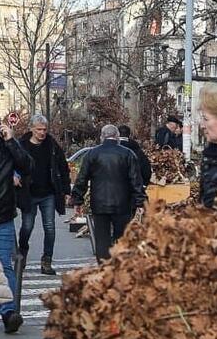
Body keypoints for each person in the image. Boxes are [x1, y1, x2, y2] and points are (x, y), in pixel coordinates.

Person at [0, 99, 33, 333]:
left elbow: (27, 166)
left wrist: (11, 141)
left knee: (4, 267)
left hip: (2, 217)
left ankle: (9, 313)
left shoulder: (6, 145)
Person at [71, 124, 145, 262]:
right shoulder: (128, 154)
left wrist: (77, 199)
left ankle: (104, 267)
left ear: (102, 137)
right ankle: (121, 266)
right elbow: (136, 180)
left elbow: (82, 178)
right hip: (122, 203)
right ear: (117, 137)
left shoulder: (92, 154)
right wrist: (140, 201)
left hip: (99, 203)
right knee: (122, 236)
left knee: (102, 239)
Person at [17, 114, 71, 275]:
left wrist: (66, 191)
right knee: (27, 227)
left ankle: (47, 260)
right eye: (39, 129)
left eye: (44, 130)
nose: (42, 133)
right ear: (31, 129)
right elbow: (12, 163)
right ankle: (22, 254)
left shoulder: (52, 145)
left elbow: (63, 167)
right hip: (29, 193)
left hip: (48, 193)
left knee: (50, 228)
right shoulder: (22, 145)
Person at [118, 124, 152, 191]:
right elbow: (146, 170)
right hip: (133, 187)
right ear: (129, 135)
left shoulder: (110, 150)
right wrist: (144, 184)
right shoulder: (136, 150)